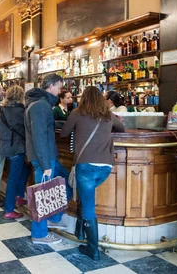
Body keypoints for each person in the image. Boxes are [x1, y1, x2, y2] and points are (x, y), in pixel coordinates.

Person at [61, 86, 125, 260]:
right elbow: (122, 129)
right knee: (86, 197)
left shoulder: (77, 112)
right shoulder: (107, 115)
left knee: (88, 205)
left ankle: (93, 249)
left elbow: (64, 133)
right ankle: (81, 232)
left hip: (86, 167)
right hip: (105, 167)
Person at [25, 73, 72, 245]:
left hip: (47, 156)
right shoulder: (40, 105)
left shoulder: (39, 103)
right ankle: (39, 233)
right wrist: (45, 164)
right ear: (50, 86)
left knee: (67, 180)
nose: (60, 91)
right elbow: (39, 136)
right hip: (44, 158)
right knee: (42, 195)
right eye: (59, 87)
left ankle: (53, 217)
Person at [0, 85, 30, 220]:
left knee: (25, 169)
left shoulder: (2, 111)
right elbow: (26, 130)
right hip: (17, 147)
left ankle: (18, 196)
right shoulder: (21, 112)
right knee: (13, 178)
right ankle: (9, 209)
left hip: (6, 146)